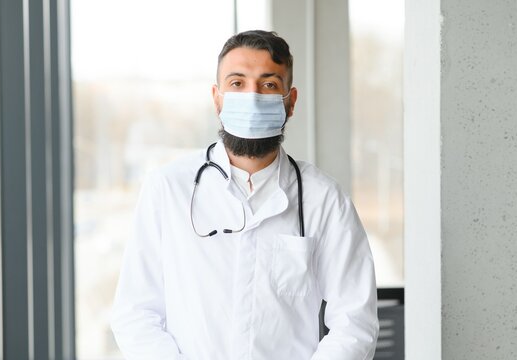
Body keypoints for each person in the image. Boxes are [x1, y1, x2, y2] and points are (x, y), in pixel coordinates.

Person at [111, 30, 379, 360]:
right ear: (217, 98)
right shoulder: (167, 189)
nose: (252, 97)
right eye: (237, 83)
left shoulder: (324, 200)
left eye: (268, 85)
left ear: (290, 102)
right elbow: (136, 314)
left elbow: (355, 321)